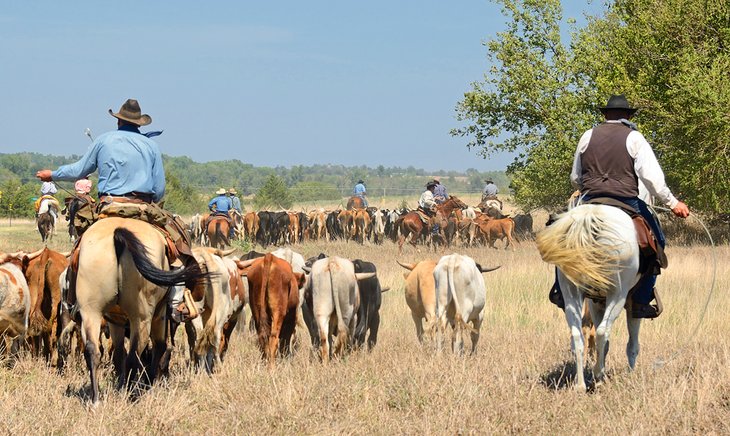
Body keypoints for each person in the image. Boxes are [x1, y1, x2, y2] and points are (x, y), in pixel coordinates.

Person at [550, 94, 690, 318]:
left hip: (588, 199)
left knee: (559, 241)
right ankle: (641, 301)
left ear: (605, 115)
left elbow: (576, 176)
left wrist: (588, 186)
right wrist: (673, 203)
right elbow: (652, 179)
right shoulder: (634, 138)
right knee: (657, 241)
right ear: (627, 116)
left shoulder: (588, 136)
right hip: (625, 200)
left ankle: (560, 290)